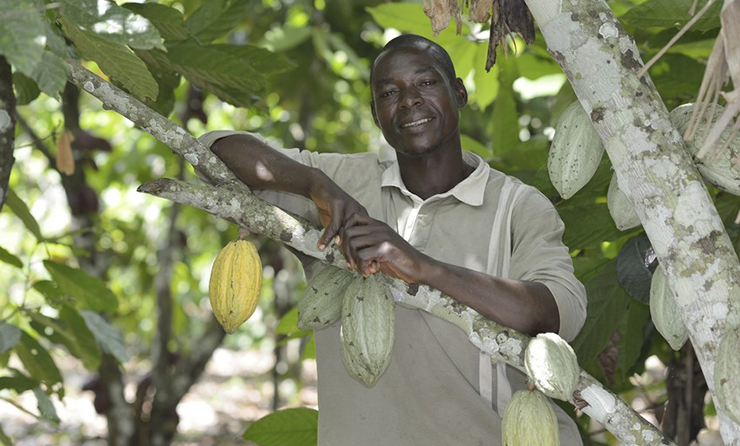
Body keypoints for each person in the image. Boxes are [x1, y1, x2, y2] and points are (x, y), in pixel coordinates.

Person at [200, 34, 587, 445]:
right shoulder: (343, 183)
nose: (408, 100)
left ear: (459, 92)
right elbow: (211, 153)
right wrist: (315, 184)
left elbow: (555, 313)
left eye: (425, 83)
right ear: (375, 113)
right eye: (389, 92)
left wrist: (421, 266)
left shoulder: (518, 205)